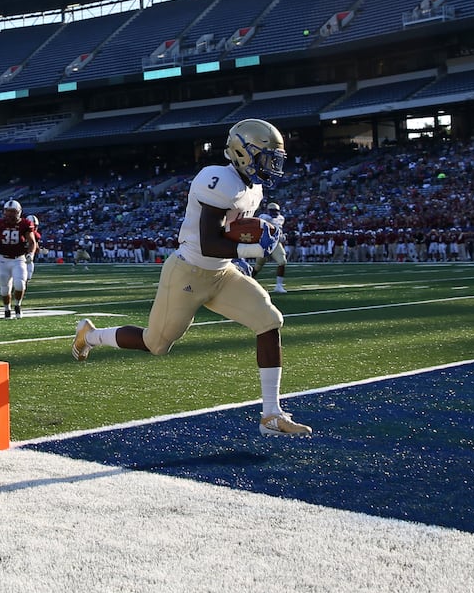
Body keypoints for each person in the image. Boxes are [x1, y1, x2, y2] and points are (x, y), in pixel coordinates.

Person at [72, 118, 312, 437]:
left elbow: (230, 235)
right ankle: (89, 335)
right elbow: (211, 242)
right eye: (267, 156)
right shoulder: (217, 179)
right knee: (155, 344)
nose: (271, 165)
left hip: (221, 272)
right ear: (244, 152)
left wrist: (254, 239)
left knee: (269, 320)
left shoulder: (255, 188)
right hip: (188, 271)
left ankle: (271, 415)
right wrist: (255, 250)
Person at [0, 199, 38, 319]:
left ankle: (18, 305)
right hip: (2, 260)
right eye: (7, 212)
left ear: (18, 212)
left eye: (12, 212)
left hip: (18, 259)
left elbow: (32, 242)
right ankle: (7, 309)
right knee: (5, 288)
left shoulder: (24, 224)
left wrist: (31, 253)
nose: (9, 215)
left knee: (20, 284)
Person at [252, 200, 288, 294]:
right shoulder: (264, 217)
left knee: (282, 261)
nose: (274, 213)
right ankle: (249, 279)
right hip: (265, 243)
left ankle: (279, 286)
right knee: (258, 266)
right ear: (268, 211)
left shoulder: (281, 218)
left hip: (275, 243)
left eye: (276, 211)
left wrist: (281, 236)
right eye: (272, 211)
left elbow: (279, 228)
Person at [25, 214, 42, 286]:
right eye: (33, 225)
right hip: (18, 255)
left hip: (28, 256)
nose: (34, 227)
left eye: (36, 226)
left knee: (28, 275)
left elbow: (36, 247)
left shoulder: (36, 235)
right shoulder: (21, 232)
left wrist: (40, 250)